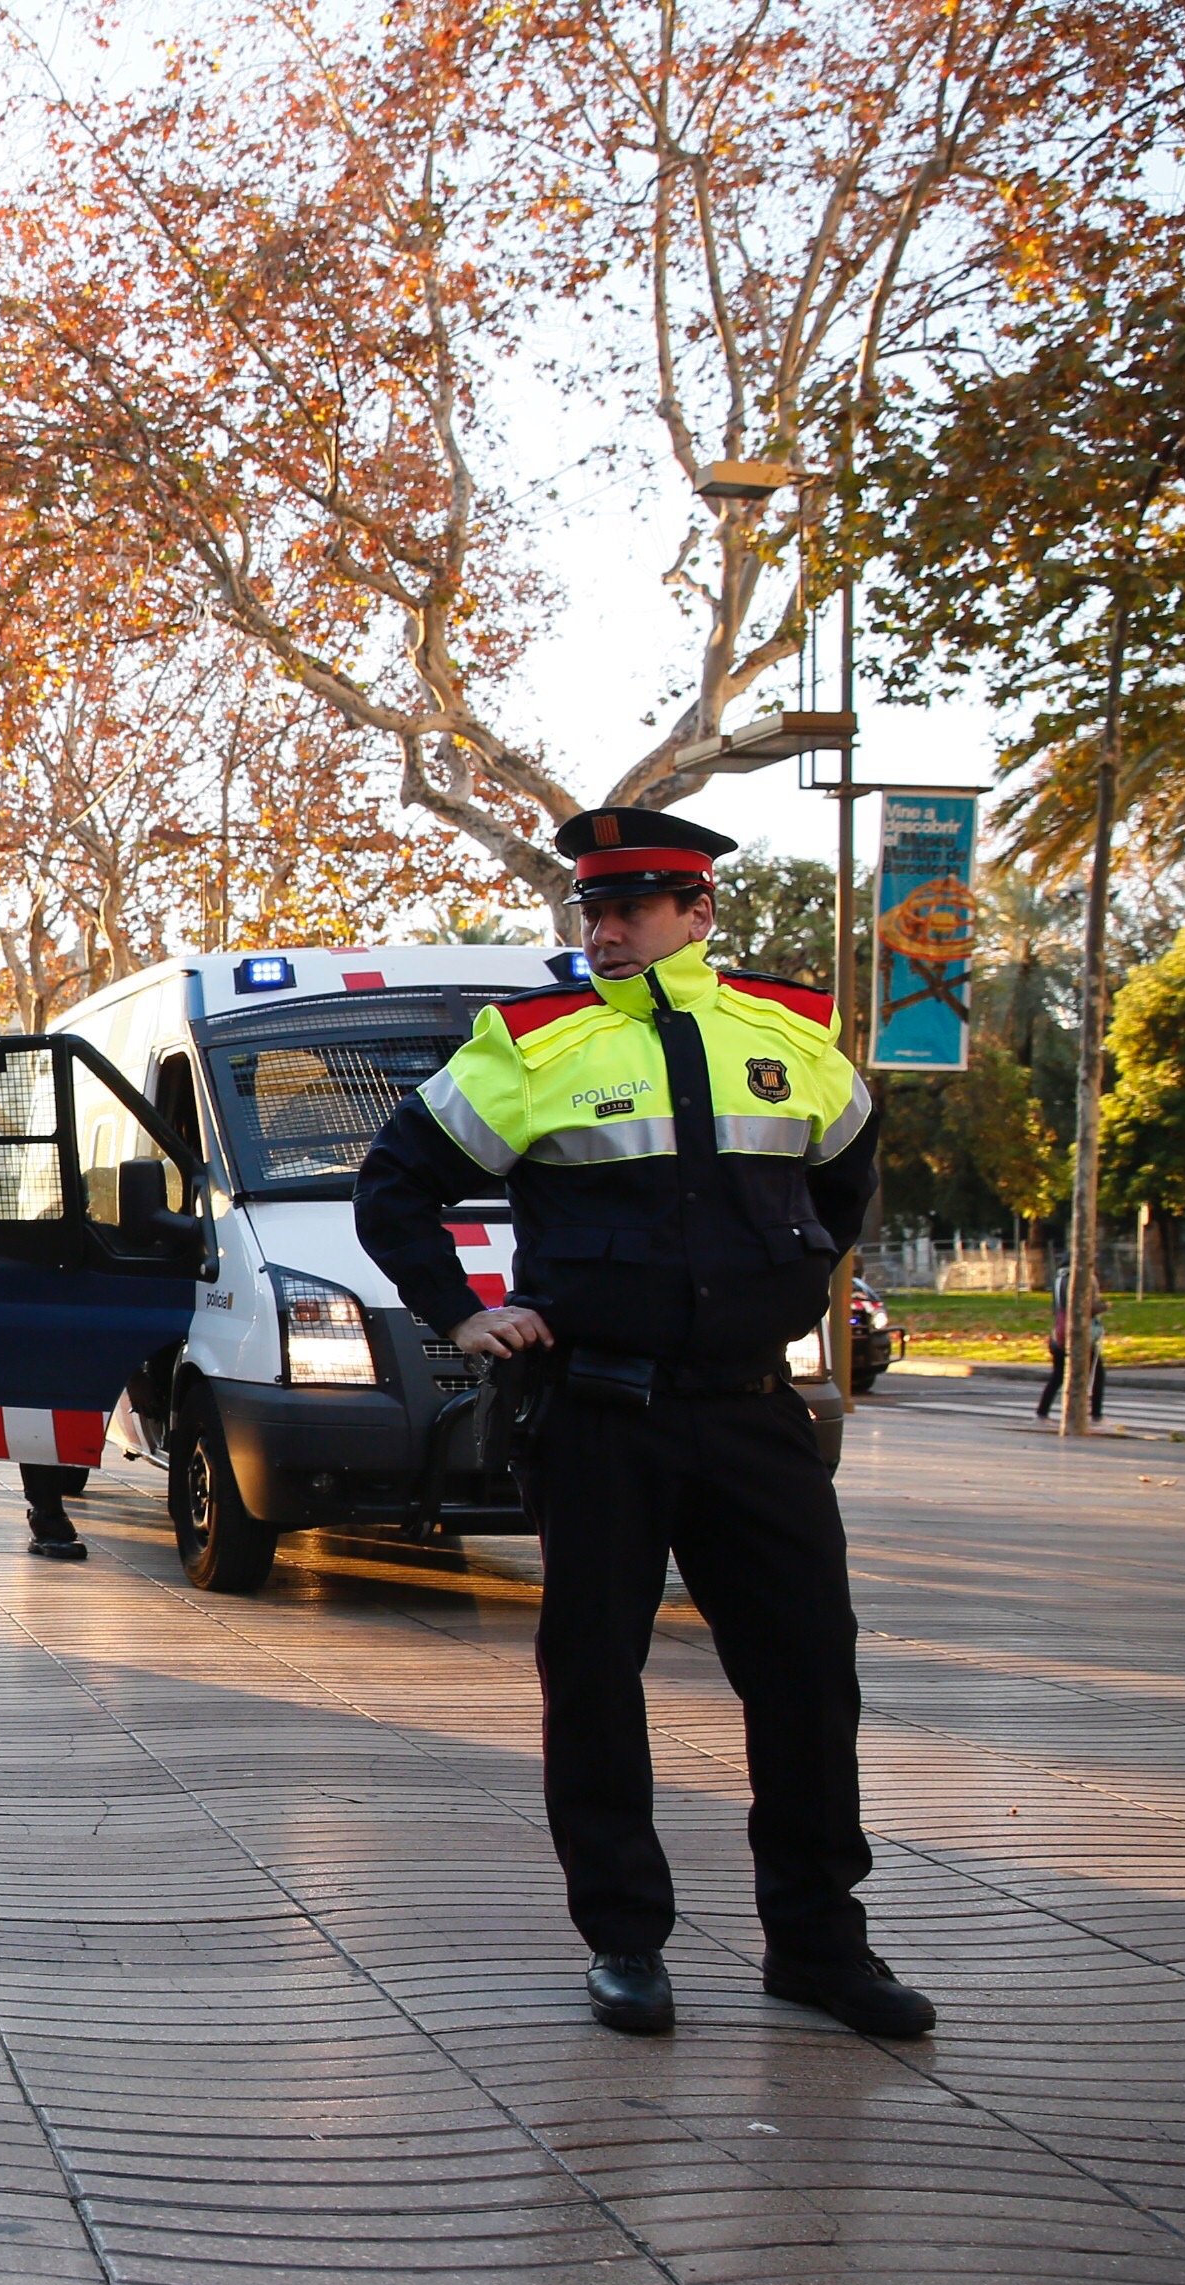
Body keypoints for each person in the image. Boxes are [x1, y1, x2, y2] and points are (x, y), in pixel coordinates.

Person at [354, 803, 929, 2043]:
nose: (604, 930)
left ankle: (821, 1946)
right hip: (601, 1415)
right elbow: (392, 1185)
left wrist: (786, 1278)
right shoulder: (531, 1042)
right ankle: (626, 1940)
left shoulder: (792, 1033)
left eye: (629, 908)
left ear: (696, 912)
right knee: (597, 1683)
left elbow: (848, 1173)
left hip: (753, 1415)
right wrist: (463, 1313)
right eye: (592, 909)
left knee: (810, 1680)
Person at [1037, 1257, 1105, 1422]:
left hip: (1059, 1331)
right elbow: (1083, 1307)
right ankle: (1095, 1415)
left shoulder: (1059, 1280)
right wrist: (1102, 1307)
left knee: (1059, 1374)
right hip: (1078, 1333)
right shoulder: (1079, 1280)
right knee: (1097, 1374)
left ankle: (1042, 1412)